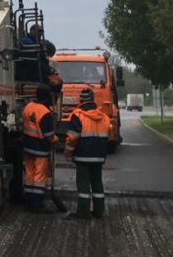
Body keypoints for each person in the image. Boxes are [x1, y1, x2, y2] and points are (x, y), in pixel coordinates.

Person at [64, 87, 112, 219]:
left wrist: (68, 153)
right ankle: (99, 210)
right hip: (99, 156)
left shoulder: (77, 116)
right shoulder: (104, 117)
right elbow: (108, 134)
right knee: (97, 182)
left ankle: (83, 211)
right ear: (93, 99)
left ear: (81, 100)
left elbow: (72, 138)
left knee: (83, 183)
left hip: (83, 156)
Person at [22, 84, 57, 212]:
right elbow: (48, 134)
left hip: (28, 147)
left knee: (29, 175)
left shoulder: (28, 107)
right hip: (40, 149)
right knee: (39, 178)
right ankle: (37, 205)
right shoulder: (44, 112)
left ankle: (28, 202)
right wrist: (55, 139)